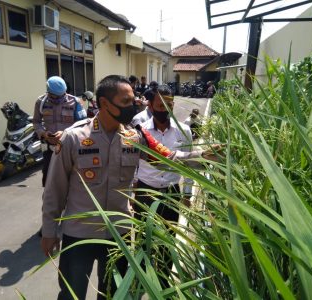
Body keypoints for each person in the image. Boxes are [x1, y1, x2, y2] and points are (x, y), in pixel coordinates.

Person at [40, 75, 219, 300]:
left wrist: (204, 156)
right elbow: (54, 191)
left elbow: (168, 158)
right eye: (126, 102)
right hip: (79, 235)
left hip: (119, 235)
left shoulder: (135, 137)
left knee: (114, 294)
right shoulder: (73, 138)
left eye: (134, 100)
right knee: (72, 294)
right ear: (105, 104)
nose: (133, 106)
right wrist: (49, 232)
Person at [133, 85, 194, 288]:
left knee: (169, 238)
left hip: (171, 193)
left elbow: (189, 165)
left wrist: (187, 193)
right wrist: (133, 190)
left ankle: (164, 281)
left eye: (169, 104)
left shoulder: (184, 131)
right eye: (160, 105)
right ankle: (144, 278)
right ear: (150, 105)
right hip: (145, 190)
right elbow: (131, 161)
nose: (165, 109)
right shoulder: (140, 130)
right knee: (144, 238)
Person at [32, 76, 87, 187]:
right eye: (55, 96)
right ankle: (50, 203)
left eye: (62, 95)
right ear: (48, 92)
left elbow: (83, 124)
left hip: (69, 147)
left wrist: (65, 133)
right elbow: (36, 122)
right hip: (50, 148)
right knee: (48, 179)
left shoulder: (75, 102)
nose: (58, 99)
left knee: (72, 179)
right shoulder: (40, 102)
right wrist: (43, 133)